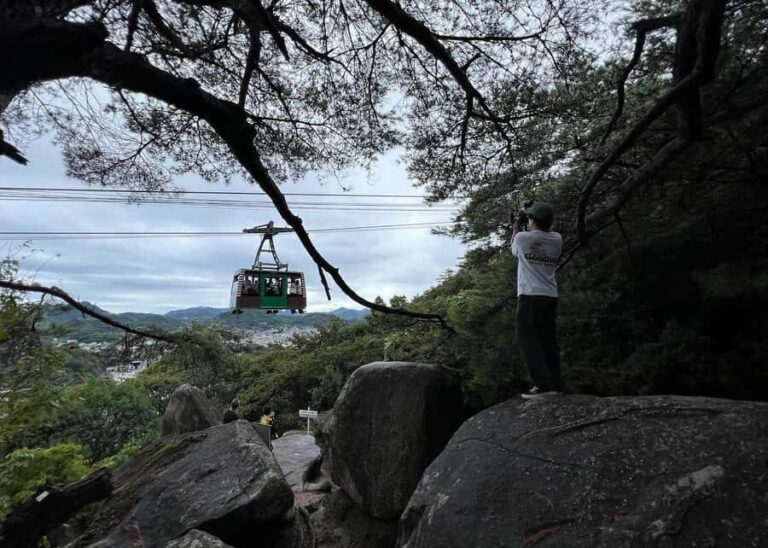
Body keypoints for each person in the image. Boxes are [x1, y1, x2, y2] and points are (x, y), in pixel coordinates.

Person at [510, 201, 563, 398]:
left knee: (528, 341)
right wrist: (527, 217)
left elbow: (514, 249)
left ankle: (543, 386)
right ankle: (555, 384)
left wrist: (516, 224)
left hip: (529, 296)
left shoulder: (523, 238)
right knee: (549, 341)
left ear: (532, 221)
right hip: (550, 296)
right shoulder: (557, 239)